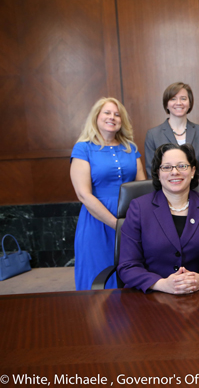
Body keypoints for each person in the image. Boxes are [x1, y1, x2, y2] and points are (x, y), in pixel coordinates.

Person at [118, 144, 199, 294]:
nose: (175, 172)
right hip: (151, 295)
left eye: (182, 166)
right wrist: (162, 284)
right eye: (167, 167)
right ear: (158, 173)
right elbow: (128, 265)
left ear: (193, 171)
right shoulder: (139, 208)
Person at [70, 97, 145, 290]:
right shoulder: (83, 148)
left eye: (117, 114)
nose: (112, 117)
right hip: (97, 221)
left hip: (131, 218)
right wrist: (116, 225)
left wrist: (136, 224)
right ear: (96, 117)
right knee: (98, 276)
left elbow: (142, 186)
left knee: (132, 274)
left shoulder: (130, 147)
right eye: (107, 112)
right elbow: (83, 195)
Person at [144, 82, 199, 194]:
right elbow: (152, 173)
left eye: (183, 98)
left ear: (190, 103)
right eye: (173, 99)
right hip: (165, 198)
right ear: (166, 104)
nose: (179, 103)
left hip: (198, 196)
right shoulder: (153, 135)